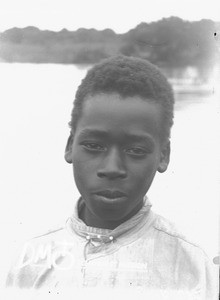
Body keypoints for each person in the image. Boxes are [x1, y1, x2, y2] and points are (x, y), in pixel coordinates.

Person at [5, 56, 217, 299]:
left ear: (163, 155)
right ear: (69, 146)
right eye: (94, 146)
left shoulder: (196, 267)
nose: (112, 168)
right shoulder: (30, 259)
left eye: (135, 150)